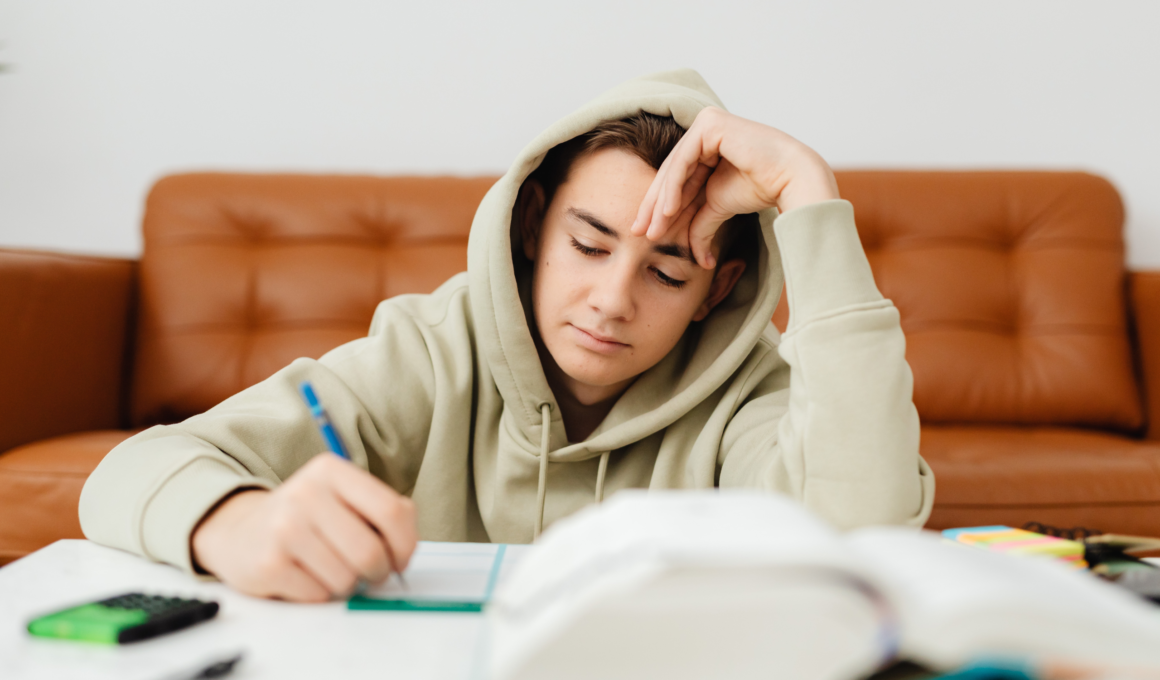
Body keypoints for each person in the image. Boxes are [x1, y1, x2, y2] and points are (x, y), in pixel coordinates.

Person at [80, 69, 934, 602]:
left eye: (668, 273)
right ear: (530, 231)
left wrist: (810, 199)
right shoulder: (428, 348)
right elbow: (129, 472)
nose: (610, 301)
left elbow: (861, 526)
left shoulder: (753, 393)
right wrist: (236, 522)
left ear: (719, 292)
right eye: (588, 244)